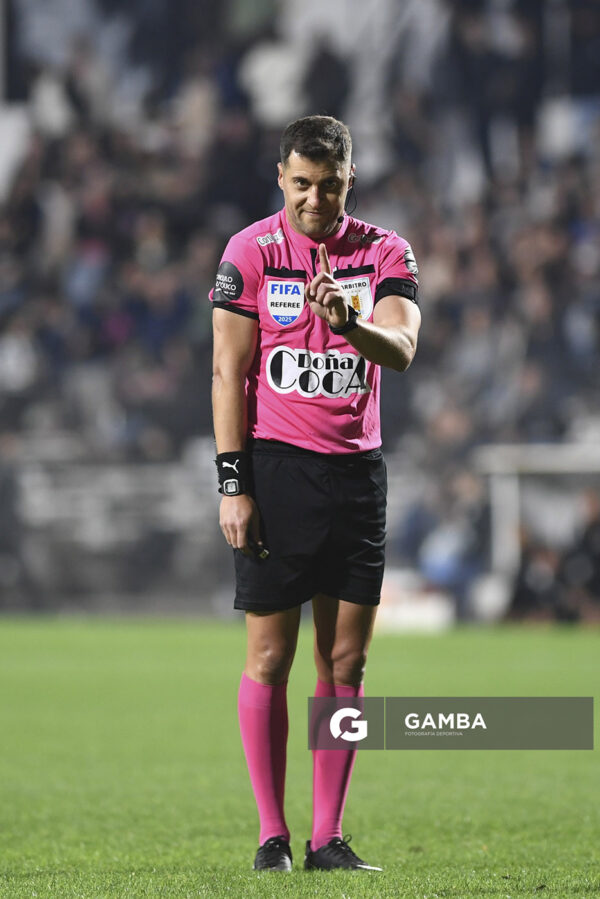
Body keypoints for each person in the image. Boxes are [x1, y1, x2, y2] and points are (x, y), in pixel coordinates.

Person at [210, 115, 421, 872]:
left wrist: (352, 324)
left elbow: (401, 350)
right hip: (276, 471)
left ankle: (328, 836)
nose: (314, 198)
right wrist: (234, 484)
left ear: (349, 181)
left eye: (329, 185)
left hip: (357, 477)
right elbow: (226, 373)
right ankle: (273, 836)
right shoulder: (250, 252)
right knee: (270, 656)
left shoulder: (384, 251)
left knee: (348, 663)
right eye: (302, 183)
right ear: (281, 178)